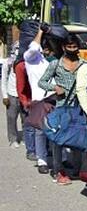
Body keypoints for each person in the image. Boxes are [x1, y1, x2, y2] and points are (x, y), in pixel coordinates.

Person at [38, 34, 85, 185]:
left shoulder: (84, 65)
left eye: (74, 46)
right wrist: (55, 87)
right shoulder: (55, 65)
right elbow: (42, 82)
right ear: (64, 48)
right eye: (69, 47)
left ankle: (77, 169)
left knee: (78, 139)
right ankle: (58, 171)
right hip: (61, 107)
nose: (72, 49)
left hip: (78, 107)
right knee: (58, 140)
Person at [23, 27, 54, 174]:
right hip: (39, 99)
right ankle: (42, 161)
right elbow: (34, 47)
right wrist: (40, 32)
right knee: (40, 132)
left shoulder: (45, 60)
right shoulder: (30, 57)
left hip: (52, 98)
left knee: (55, 129)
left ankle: (62, 158)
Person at [14, 55, 36, 161]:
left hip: (41, 98)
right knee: (30, 127)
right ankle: (31, 150)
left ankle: (43, 148)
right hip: (29, 99)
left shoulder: (42, 62)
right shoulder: (21, 66)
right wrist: (25, 102)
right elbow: (20, 86)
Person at [2, 42, 23, 148]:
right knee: (11, 117)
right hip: (12, 93)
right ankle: (13, 139)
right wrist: (5, 95)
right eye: (17, 48)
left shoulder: (27, 61)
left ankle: (27, 138)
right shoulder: (8, 62)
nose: (18, 50)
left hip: (24, 94)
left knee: (26, 118)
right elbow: (3, 79)